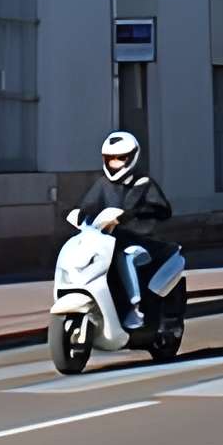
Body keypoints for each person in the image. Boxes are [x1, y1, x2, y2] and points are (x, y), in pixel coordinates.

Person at [75, 130, 176, 332]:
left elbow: (163, 210)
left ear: (132, 157)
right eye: (110, 159)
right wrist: (80, 214)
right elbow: (89, 205)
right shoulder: (103, 183)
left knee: (127, 256)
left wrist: (133, 214)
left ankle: (135, 307)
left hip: (140, 240)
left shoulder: (144, 184)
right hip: (108, 240)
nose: (115, 163)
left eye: (120, 158)